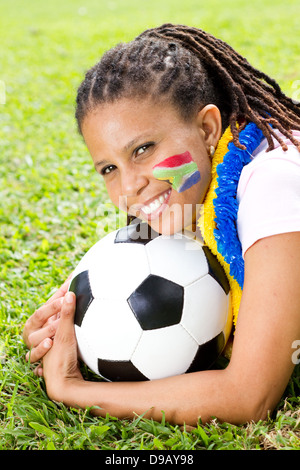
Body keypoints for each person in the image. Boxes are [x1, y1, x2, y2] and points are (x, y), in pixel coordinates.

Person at [23, 24, 300, 426]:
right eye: (109, 168)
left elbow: (249, 397)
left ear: (207, 129)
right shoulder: (195, 195)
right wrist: (68, 323)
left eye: (143, 149)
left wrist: (73, 388)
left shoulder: (273, 183)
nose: (130, 185)